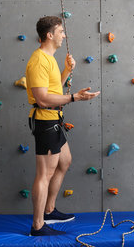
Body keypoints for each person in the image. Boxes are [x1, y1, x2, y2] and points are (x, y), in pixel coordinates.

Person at [26, 16, 100, 236]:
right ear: (49, 35)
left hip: (54, 120)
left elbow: (53, 89)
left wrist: (67, 70)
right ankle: (37, 225)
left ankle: (49, 210)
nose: (63, 35)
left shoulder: (49, 59)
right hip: (45, 121)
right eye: (61, 31)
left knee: (64, 161)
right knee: (44, 174)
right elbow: (42, 99)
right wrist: (75, 98)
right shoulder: (39, 60)